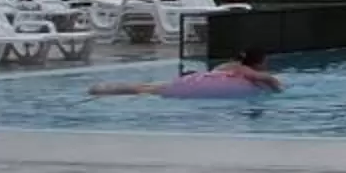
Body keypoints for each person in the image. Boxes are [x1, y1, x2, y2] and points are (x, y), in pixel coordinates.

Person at [94, 49, 284, 99]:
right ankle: (109, 90)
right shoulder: (246, 71)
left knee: (151, 88)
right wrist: (275, 85)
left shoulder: (230, 66)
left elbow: (215, 72)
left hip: (192, 81)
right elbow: (262, 78)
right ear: (260, 62)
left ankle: (108, 88)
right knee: (149, 91)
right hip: (195, 87)